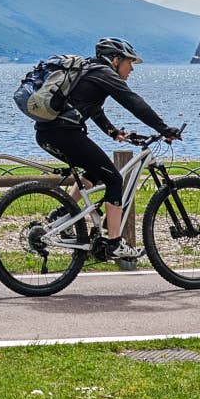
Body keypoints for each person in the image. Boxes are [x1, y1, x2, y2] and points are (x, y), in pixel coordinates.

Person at [33, 37, 180, 261]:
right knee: (113, 179)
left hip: (48, 133)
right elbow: (134, 102)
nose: (131, 68)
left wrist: (112, 132)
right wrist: (164, 128)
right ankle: (114, 243)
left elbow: (92, 108)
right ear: (115, 59)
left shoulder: (90, 71)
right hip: (65, 133)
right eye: (129, 62)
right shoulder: (105, 73)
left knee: (94, 172)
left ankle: (64, 214)